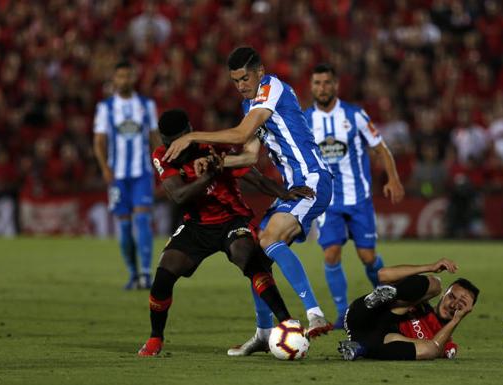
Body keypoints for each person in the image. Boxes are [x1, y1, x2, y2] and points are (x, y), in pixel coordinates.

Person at [162, 46, 335, 350]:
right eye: (235, 81)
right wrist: (215, 164)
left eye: (244, 78)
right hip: (293, 183)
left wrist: (193, 136)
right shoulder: (250, 105)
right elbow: (249, 156)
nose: (240, 86)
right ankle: (264, 333)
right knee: (257, 256)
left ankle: (315, 314)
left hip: (312, 179)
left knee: (268, 238)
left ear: (259, 71)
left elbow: (241, 135)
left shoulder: (272, 87)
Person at [138, 109, 314, 356]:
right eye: (170, 142)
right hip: (197, 225)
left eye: (179, 140)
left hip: (233, 219)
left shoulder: (213, 146)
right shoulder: (162, 156)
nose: (175, 146)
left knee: (247, 256)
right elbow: (178, 195)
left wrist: (284, 192)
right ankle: (156, 338)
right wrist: (209, 176)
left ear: (189, 132)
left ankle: (286, 322)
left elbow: (253, 177)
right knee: (164, 274)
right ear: (165, 141)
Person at [304, 63, 405, 329]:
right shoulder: (305, 120)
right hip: (327, 200)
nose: (322, 88)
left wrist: (393, 178)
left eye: (327, 83)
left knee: (368, 257)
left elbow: (381, 148)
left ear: (335, 85)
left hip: (358, 198)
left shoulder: (355, 114)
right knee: (331, 254)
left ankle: (389, 301)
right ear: (311, 87)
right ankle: (343, 314)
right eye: (317, 83)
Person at [93, 61, 161, 290]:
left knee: (142, 220)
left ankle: (145, 274)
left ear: (134, 77)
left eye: (128, 75)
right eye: (120, 76)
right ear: (114, 79)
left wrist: (162, 164)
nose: (124, 80)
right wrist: (105, 168)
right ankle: (133, 274)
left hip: (141, 172)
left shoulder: (145, 105)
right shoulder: (106, 107)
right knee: (123, 226)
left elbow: (154, 137)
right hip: (117, 175)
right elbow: (99, 141)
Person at [338, 258, 479, 360]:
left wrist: (456, 320)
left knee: (431, 349)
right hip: (364, 313)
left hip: (371, 340)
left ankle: (360, 349)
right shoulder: (419, 300)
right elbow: (383, 275)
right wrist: (430, 267)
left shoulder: (445, 341)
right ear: (444, 295)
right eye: (452, 297)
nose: (453, 305)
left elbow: (436, 349)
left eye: (461, 305)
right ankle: (390, 294)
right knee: (435, 284)